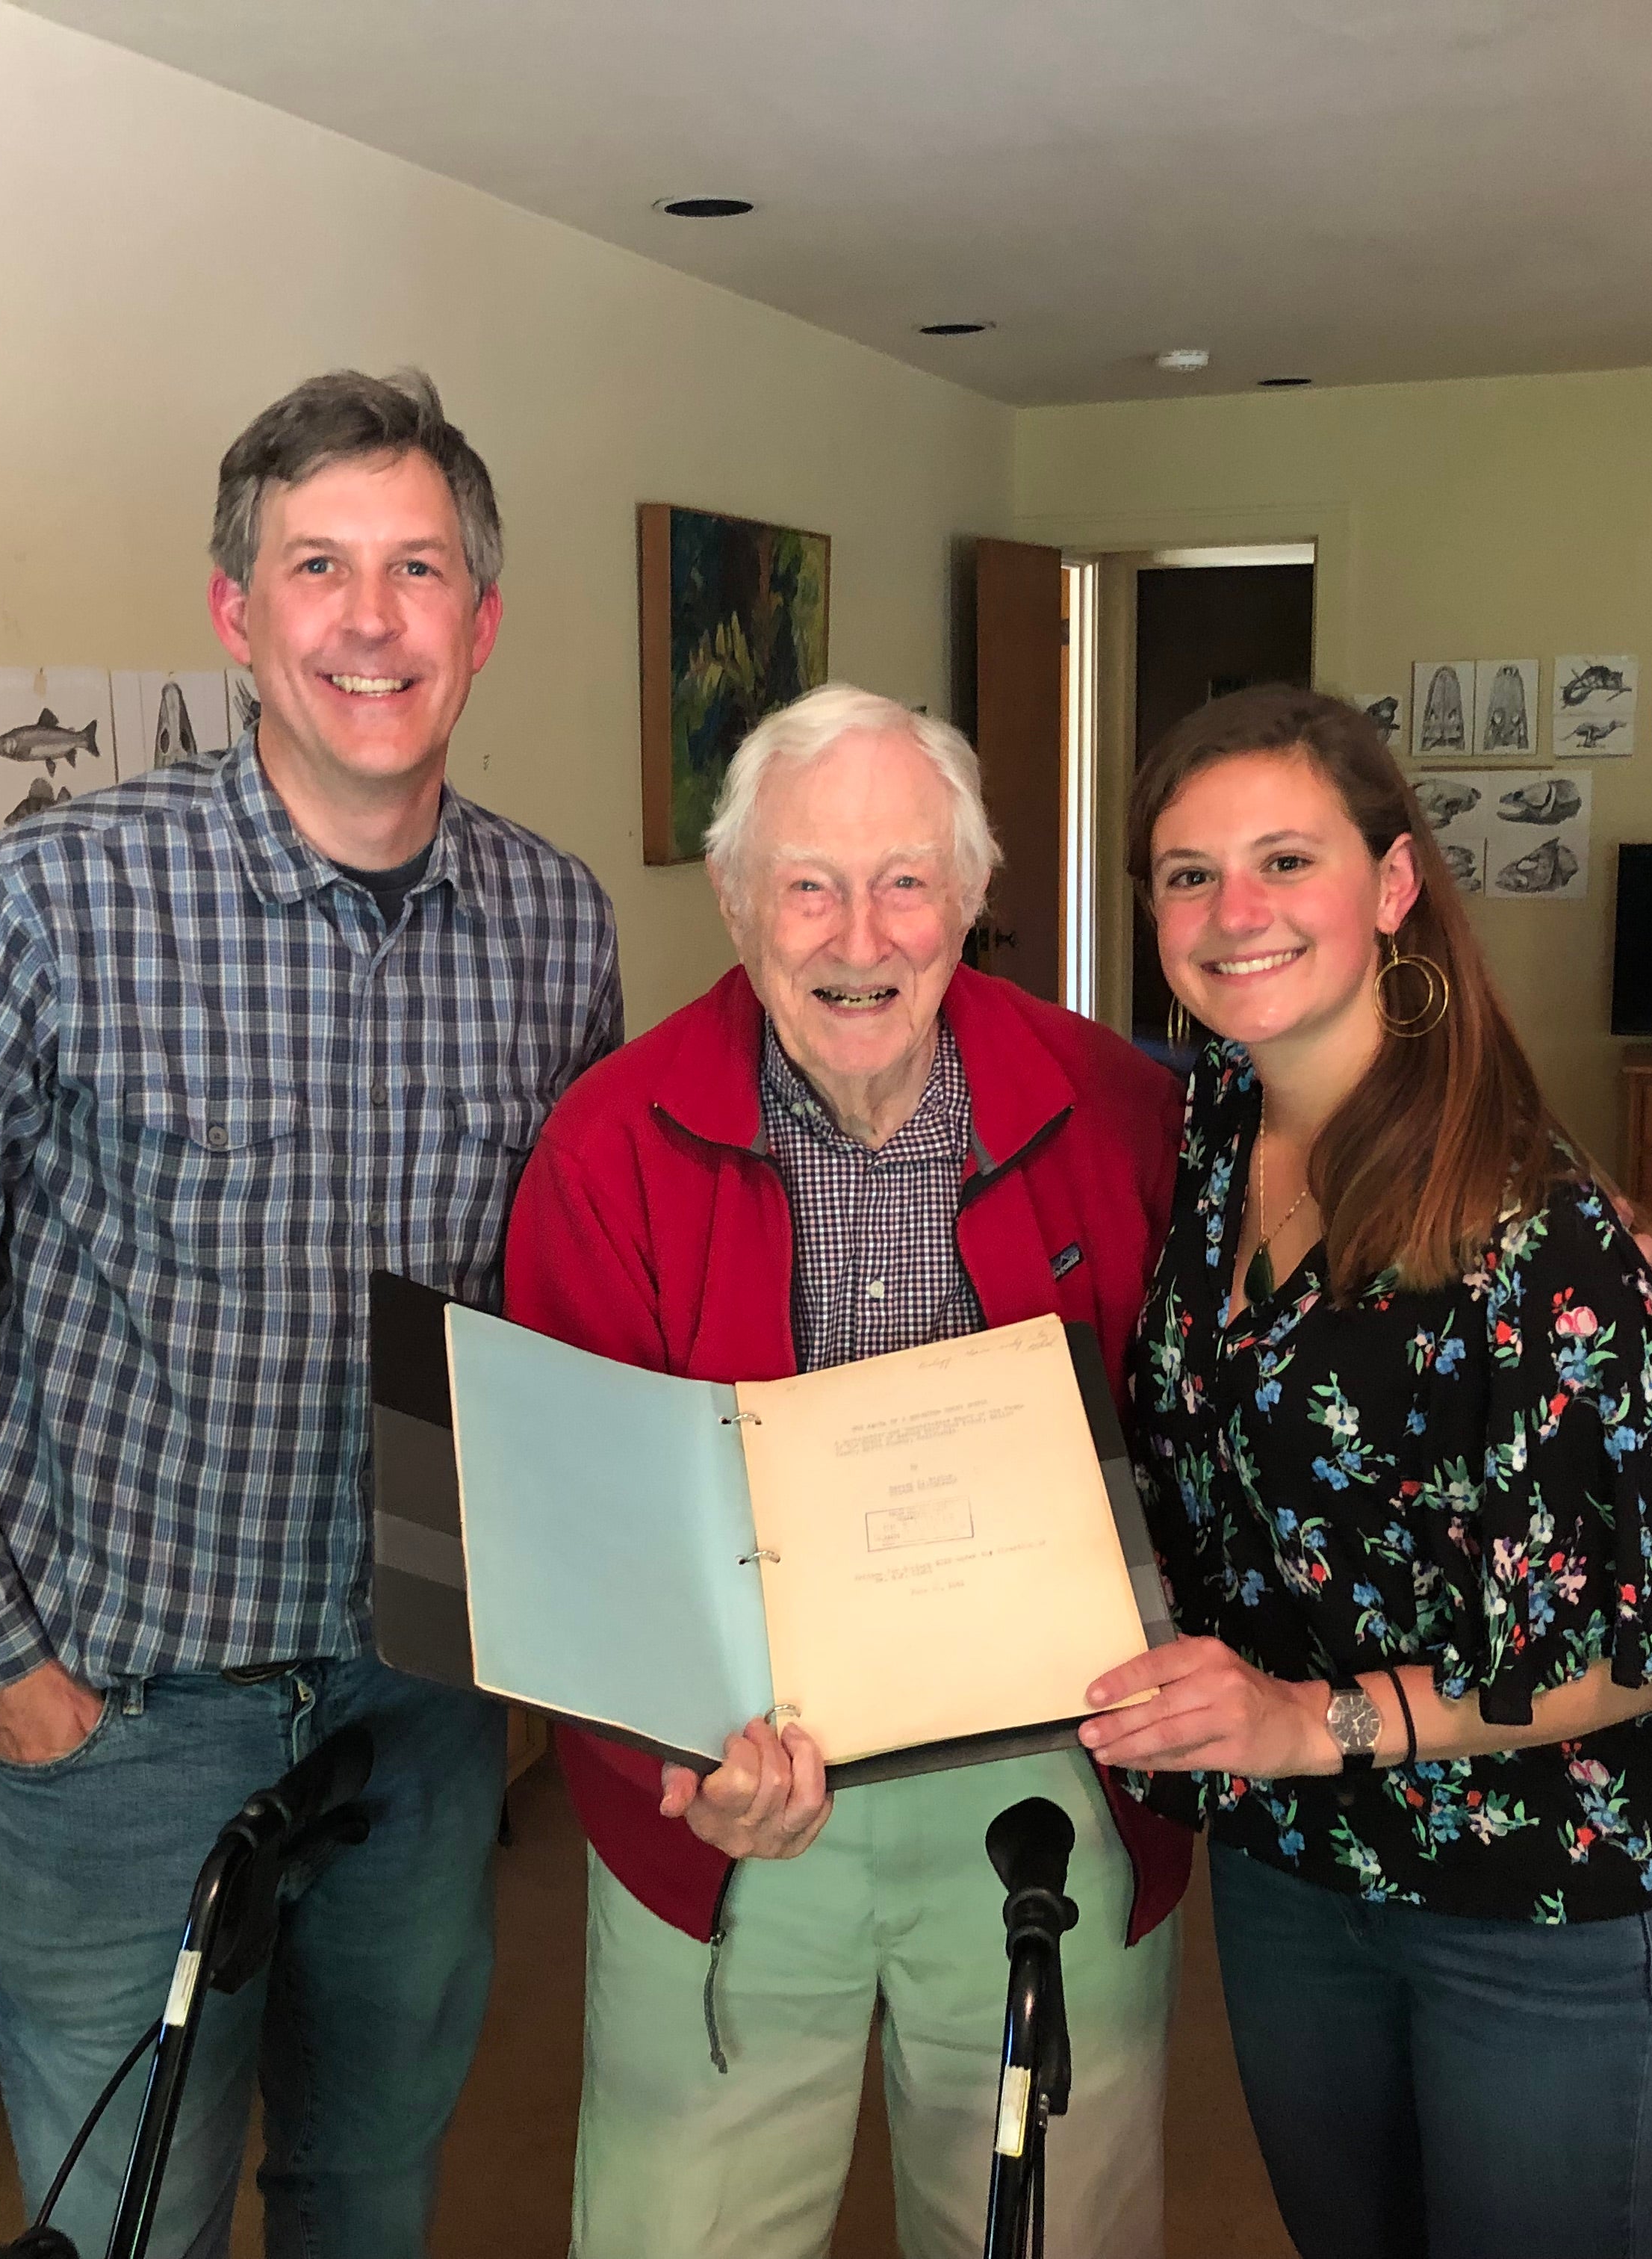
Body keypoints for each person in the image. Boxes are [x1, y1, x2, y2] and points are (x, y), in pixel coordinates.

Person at [0, 368, 621, 2259]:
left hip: (422, 1713)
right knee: (127, 2225)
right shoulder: (45, 907)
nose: (370, 618)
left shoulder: (558, 928)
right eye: (317, 565)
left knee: (365, 2188)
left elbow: (561, 1310)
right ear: (237, 612)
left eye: (418, 570)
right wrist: (8, 1672)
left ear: (480, 625)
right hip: (126, 1729)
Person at [1080, 684, 1652, 2259]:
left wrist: (1308, 1722)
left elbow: (1624, 1648)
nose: (1232, 912)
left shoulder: (1544, 1238)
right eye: (1188, 874)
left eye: (1284, 860)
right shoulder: (1206, 1137)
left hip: (1536, 1896)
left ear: (1391, 886)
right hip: (1293, 1876)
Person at [503, 683, 1193, 2259]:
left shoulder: (1126, 1112)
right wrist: (677, 1771)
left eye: (905, 880)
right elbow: (572, 1538)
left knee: (1051, 2231)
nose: (858, 935)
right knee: (685, 2231)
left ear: (971, 894)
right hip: (736, 1799)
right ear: (737, 898)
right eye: (808, 883)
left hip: (1049, 1779)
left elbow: (1324, 1214)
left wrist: (1553, 1206)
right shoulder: (608, 1145)